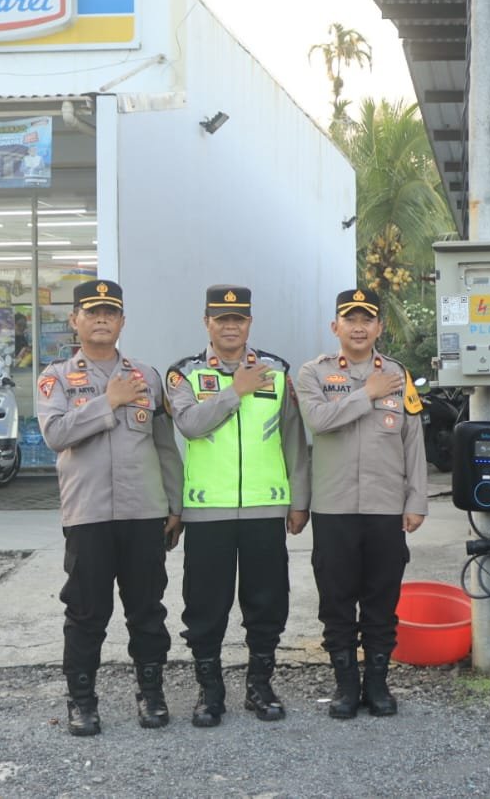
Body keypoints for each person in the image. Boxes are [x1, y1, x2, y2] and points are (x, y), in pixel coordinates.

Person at [36, 280, 183, 736]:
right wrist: (108, 402)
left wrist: (174, 503)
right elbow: (56, 435)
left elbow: (164, 445)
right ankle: (82, 700)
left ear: (122, 322)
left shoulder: (147, 376)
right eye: (92, 311)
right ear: (75, 320)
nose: (102, 318)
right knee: (86, 611)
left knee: (147, 608)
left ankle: (151, 693)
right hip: (89, 515)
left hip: (143, 513)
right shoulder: (56, 377)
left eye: (110, 312)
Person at [166, 285, 310, 727]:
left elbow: (293, 439)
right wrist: (235, 391)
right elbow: (189, 425)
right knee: (206, 605)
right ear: (206, 322)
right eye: (221, 318)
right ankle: (210, 692)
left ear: (249, 323)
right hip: (209, 509)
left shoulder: (276, 371)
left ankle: (260, 686)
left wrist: (299, 499)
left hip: (267, 508)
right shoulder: (184, 374)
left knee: (267, 601)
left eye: (239, 319)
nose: (230, 326)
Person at [294, 288, 427, 719]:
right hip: (333, 508)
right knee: (336, 600)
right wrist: (366, 393)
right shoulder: (313, 373)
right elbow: (318, 420)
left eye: (366, 319)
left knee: (381, 599)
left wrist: (417, 499)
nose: (358, 326)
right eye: (349, 319)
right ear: (335, 327)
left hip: (386, 507)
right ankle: (346, 686)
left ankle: (378, 685)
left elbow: (413, 442)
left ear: (378, 328)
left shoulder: (398, 374)